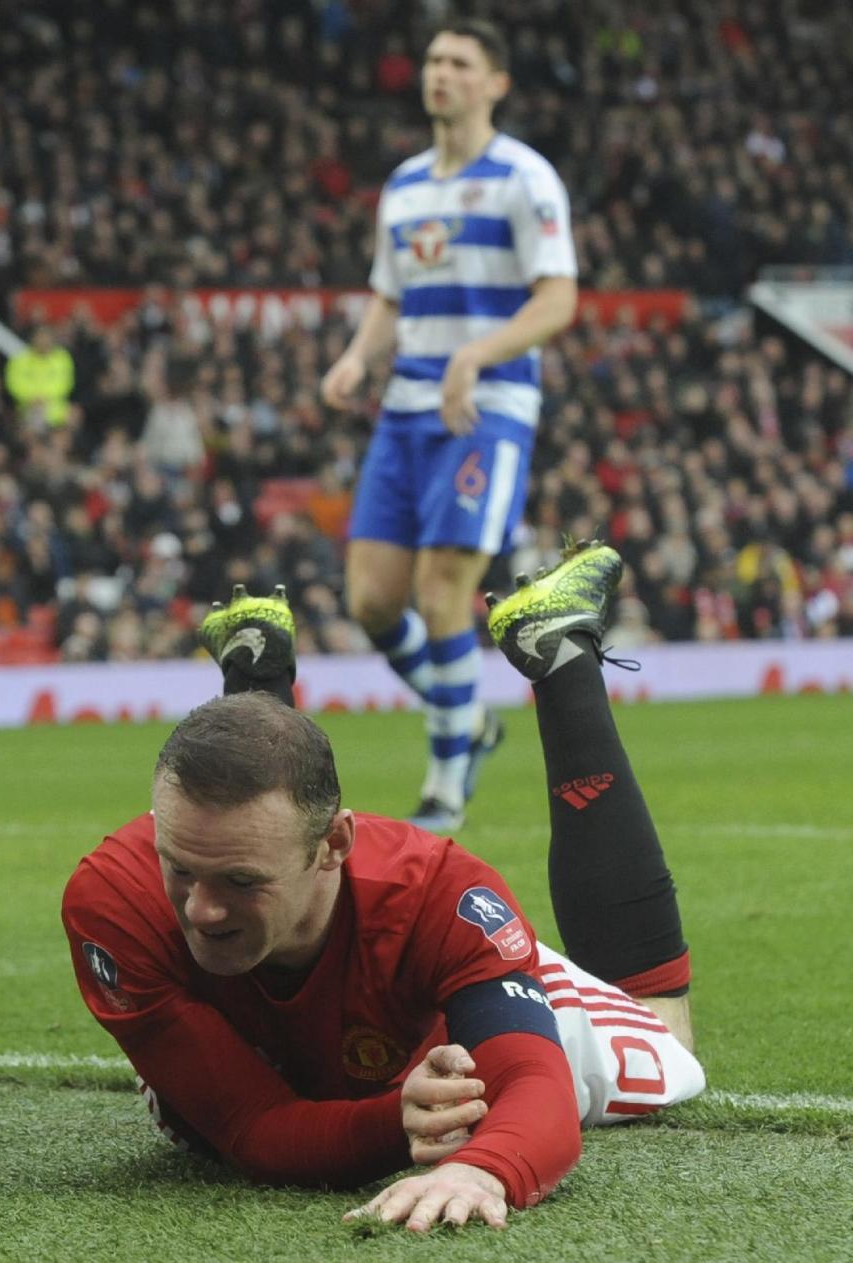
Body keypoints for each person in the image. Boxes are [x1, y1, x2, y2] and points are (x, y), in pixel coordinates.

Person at [62, 542, 704, 1233]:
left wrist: (483, 1166)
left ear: (335, 845)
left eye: (241, 879)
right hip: (352, 1063)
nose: (201, 908)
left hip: (443, 1006)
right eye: (179, 867)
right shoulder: (115, 897)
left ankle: (563, 661)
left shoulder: (441, 895)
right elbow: (258, 1129)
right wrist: (402, 1120)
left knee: (667, 1041)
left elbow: (536, 1090)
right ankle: (260, 688)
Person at [321, 19, 578, 832]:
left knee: (442, 594)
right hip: (405, 409)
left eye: (460, 62)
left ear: (495, 82)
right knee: (369, 599)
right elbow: (391, 297)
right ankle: (467, 717)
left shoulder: (523, 179)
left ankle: (444, 787)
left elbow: (557, 298)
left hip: (487, 409)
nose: (441, 73)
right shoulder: (403, 186)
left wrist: (478, 355)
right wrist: (359, 357)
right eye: (432, 58)